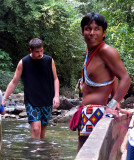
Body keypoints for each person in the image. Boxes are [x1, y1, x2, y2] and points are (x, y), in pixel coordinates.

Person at [76, 12, 131, 151]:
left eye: (97, 29)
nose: (92, 33)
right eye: (88, 29)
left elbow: (125, 78)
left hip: (97, 114)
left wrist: (111, 106)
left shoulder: (107, 51)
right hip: (87, 113)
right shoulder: (90, 52)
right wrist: (117, 103)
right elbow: (112, 78)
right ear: (83, 32)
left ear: (104, 32)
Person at [2, 38, 60, 138]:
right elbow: (14, 81)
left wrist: (57, 96)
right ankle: (33, 153)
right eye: (37, 51)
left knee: (42, 134)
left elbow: (55, 79)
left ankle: (40, 152)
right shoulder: (23, 62)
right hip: (31, 101)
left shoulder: (49, 60)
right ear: (31, 50)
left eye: (41, 50)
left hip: (46, 100)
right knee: (36, 129)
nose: (40, 53)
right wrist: (4, 98)